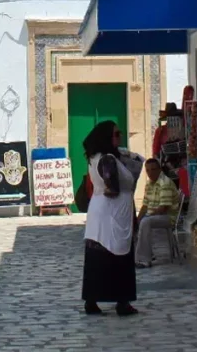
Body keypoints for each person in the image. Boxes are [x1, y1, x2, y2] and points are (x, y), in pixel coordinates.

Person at [81, 120, 143, 317]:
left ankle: (92, 300)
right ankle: (122, 302)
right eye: (116, 134)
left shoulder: (95, 157)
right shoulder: (107, 159)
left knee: (97, 258)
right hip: (113, 212)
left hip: (99, 212)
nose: (120, 137)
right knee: (119, 258)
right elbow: (113, 188)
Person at [135, 158, 181, 268]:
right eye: (148, 170)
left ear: (159, 170)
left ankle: (143, 260)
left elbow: (163, 208)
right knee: (133, 224)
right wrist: (136, 220)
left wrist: (146, 216)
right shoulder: (149, 184)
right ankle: (147, 254)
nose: (150, 173)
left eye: (153, 169)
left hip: (167, 217)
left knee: (145, 222)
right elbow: (145, 205)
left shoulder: (165, 183)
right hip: (155, 215)